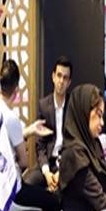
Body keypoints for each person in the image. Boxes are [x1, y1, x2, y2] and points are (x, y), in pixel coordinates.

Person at [0, 59, 59, 211]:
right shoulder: (11, 118)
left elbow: (1, 141)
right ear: (16, 90)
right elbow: (24, 162)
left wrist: (29, 130)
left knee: (37, 191)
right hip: (12, 191)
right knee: (53, 203)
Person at [58, 83, 106, 211]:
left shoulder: (94, 143)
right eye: (98, 115)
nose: (102, 123)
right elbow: (98, 198)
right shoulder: (74, 154)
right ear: (83, 113)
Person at [28, 56, 72, 189]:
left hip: (66, 163)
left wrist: (62, 171)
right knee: (29, 184)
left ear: (69, 82)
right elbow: (40, 145)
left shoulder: (73, 106)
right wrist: (47, 173)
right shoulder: (43, 106)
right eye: (59, 76)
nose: (61, 81)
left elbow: (74, 144)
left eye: (65, 78)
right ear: (53, 77)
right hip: (48, 161)